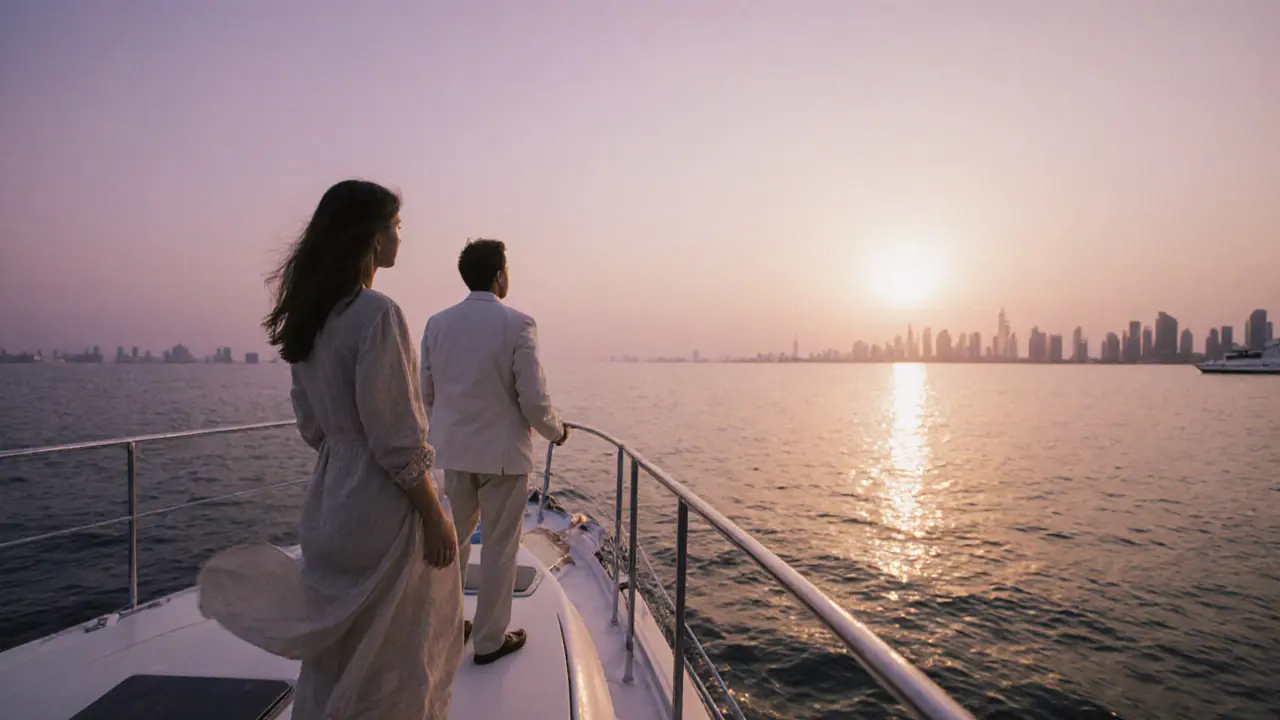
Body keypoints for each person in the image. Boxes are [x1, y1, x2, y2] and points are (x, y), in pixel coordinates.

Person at [198, 179, 463, 719]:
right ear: (370, 235)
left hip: (330, 504)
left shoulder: (312, 319)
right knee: (399, 652)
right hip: (381, 508)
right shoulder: (378, 315)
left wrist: (345, 452)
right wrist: (436, 516)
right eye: (395, 226)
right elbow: (396, 438)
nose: (399, 238)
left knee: (337, 655)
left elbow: (312, 425)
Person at [420, 238, 568, 665]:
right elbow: (534, 402)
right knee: (501, 548)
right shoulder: (518, 324)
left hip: (453, 452)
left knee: (454, 544)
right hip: (503, 458)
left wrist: (446, 432)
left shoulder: (437, 324)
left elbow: (427, 392)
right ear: (499, 274)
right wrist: (556, 433)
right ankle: (488, 640)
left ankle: (451, 626)